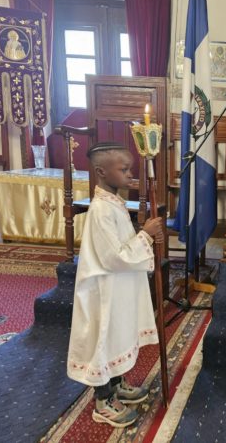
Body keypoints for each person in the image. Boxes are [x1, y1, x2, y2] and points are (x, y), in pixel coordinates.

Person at [67, 142, 163, 428]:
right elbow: (114, 256)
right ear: (101, 171)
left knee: (118, 336)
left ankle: (117, 383)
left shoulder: (114, 203)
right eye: (124, 169)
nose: (130, 175)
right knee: (104, 340)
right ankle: (103, 402)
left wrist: (144, 235)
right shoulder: (100, 210)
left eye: (130, 169)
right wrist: (145, 236)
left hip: (117, 287)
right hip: (103, 291)